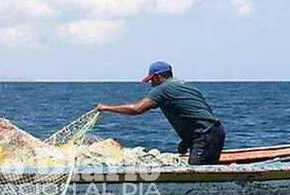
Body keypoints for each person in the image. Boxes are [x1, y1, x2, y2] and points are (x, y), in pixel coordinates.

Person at [96, 61, 225, 165]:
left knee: (197, 175)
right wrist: (187, 140)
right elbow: (196, 113)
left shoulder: (163, 89)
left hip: (204, 135)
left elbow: (137, 109)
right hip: (215, 131)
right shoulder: (186, 86)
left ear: (157, 77)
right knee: (206, 166)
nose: (151, 84)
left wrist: (106, 108)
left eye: (151, 80)